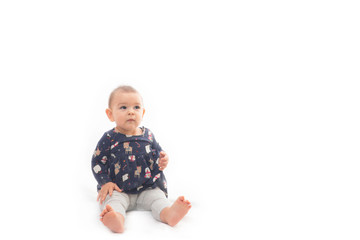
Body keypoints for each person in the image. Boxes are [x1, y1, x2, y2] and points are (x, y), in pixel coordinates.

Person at [91, 85, 191, 233]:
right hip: (119, 189)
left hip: (147, 187)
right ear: (110, 114)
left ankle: (168, 214)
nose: (131, 111)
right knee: (114, 202)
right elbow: (97, 162)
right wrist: (106, 182)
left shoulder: (148, 135)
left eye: (136, 107)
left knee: (158, 199)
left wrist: (163, 159)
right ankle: (116, 219)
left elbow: (158, 153)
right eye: (123, 107)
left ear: (142, 112)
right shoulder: (109, 138)